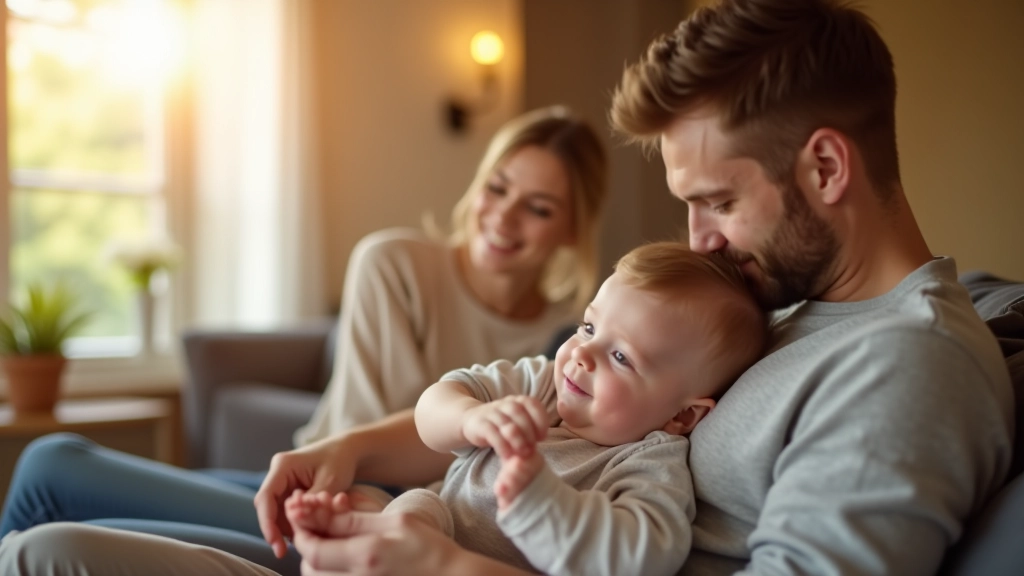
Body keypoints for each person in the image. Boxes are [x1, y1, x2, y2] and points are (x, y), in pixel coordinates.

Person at [0, 0, 1014, 574]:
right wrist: (342, 448)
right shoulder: (780, 303)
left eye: (713, 201)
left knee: (52, 545)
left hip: (443, 560)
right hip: (423, 533)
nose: (697, 240)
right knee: (51, 515)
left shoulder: (906, 367)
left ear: (826, 170)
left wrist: (440, 567)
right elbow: (520, 397)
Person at [0, 106, 608, 574]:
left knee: (50, 538)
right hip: (330, 484)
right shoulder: (396, 263)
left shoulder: (572, 344)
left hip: (393, 525)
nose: (502, 217)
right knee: (51, 460)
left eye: (538, 208)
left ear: (572, 229)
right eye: (497, 188)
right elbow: (371, 423)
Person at [284, 242, 766, 576]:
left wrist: (542, 503)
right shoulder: (543, 385)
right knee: (412, 505)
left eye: (621, 358)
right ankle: (348, 525)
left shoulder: (647, 462)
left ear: (681, 417)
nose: (582, 355)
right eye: (588, 328)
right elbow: (436, 402)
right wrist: (469, 418)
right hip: (429, 530)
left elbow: (637, 558)